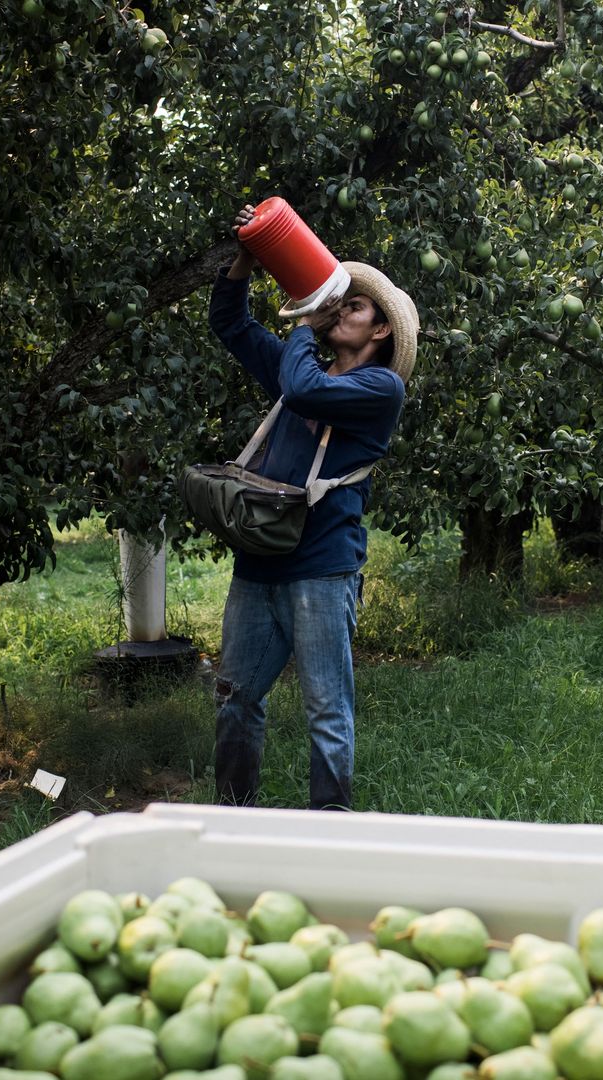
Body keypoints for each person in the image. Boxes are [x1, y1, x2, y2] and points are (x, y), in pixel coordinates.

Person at [206, 204, 417, 811]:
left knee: (327, 707)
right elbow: (230, 324)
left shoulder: (380, 389)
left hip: (323, 569)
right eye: (338, 302)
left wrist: (302, 318)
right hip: (261, 562)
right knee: (235, 695)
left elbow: (303, 391)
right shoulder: (309, 366)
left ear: (380, 331)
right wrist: (247, 260)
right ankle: (235, 815)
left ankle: (330, 821)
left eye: (353, 306)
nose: (339, 310)